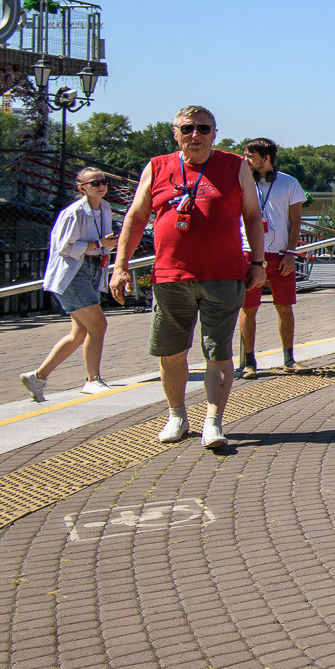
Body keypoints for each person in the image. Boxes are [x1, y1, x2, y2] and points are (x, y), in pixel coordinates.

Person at [109, 105, 269, 449]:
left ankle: (213, 421)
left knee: (218, 352)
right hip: (170, 275)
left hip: (223, 275)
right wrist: (120, 264)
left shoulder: (235, 166)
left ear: (215, 132)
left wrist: (258, 262)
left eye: (203, 128)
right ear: (175, 132)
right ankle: (177, 416)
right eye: (187, 129)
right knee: (171, 353)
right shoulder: (157, 167)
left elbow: (253, 217)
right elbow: (136, 218)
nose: (195, 135)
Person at [21, 169, 119, 400]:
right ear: (81, 187)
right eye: (95, 183)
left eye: (104, 181)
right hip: (73, 272)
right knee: (98, 325)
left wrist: (107, 245)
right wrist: (99, 243)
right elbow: (64, 248)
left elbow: (101, 242)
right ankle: (92, 380)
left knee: (79, 332)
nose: (101, 186)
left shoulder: (105, 208)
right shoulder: (74, 212)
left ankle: (38, 377)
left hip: (93, 268)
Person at [238, 138, 307, 378]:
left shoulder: (289, 183)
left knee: (284, 307)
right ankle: (249, 362)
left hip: (280, 255)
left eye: (250, 156)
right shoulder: (241, 182)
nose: (246, 160)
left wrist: (291, 252)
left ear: (265, 158)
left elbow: (296, 220)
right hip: (249, 253)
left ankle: (289, 359)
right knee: (248, 309)